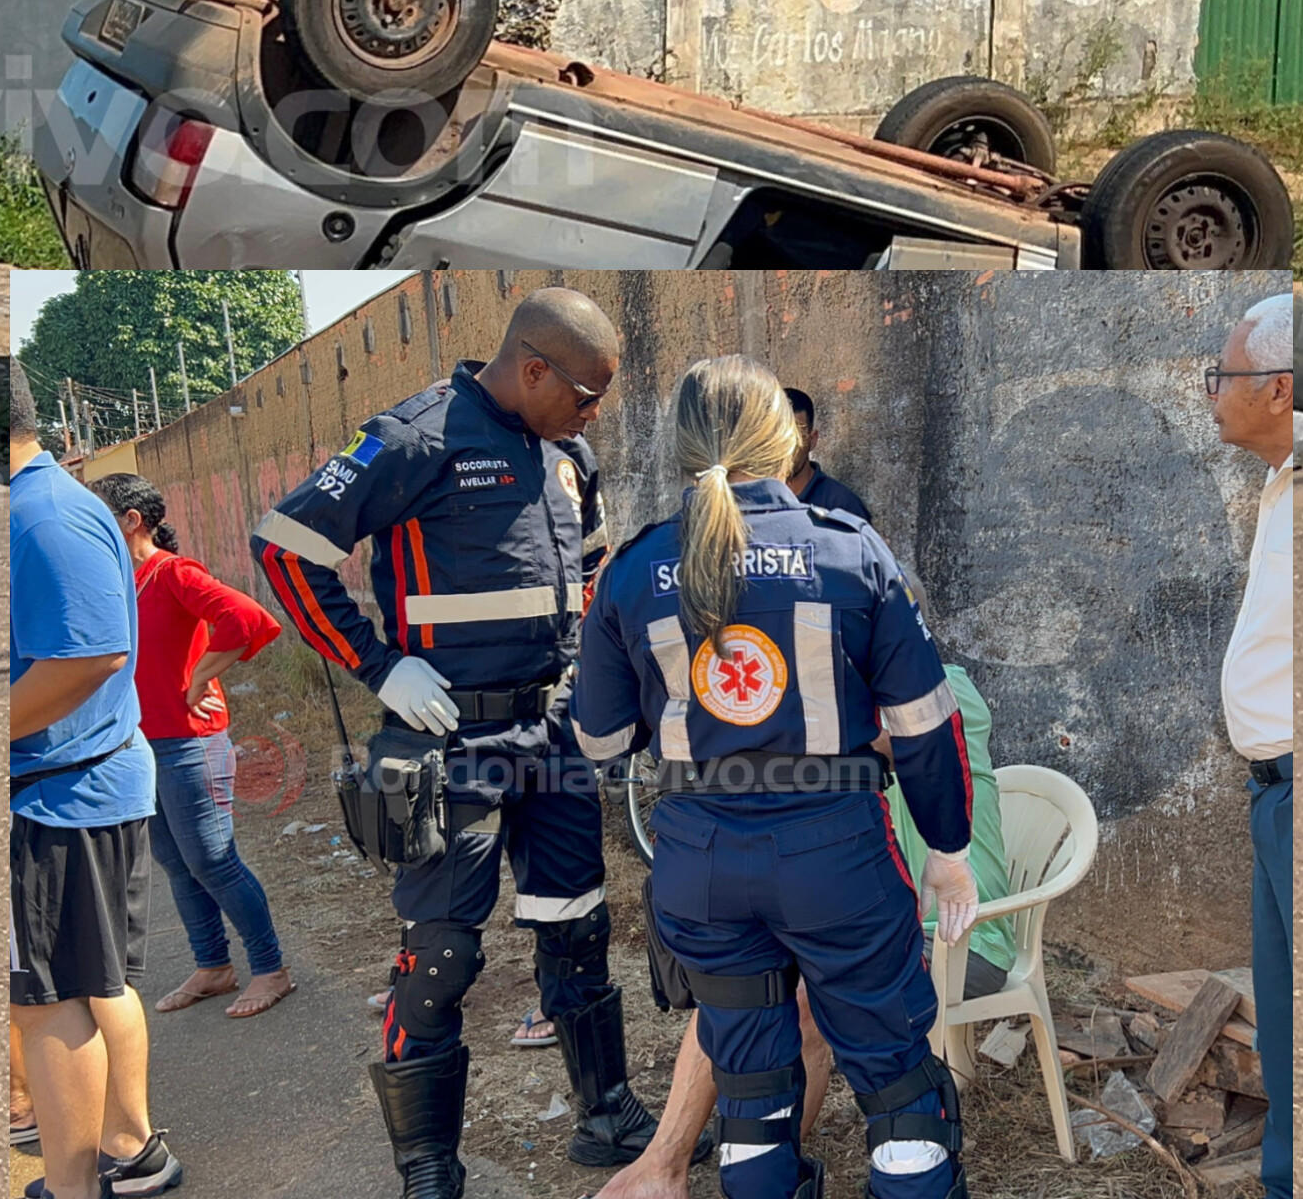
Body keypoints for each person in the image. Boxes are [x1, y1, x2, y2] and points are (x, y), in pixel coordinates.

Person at [253, 287, 656, 1196]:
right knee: (441, 956)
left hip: (552, 736)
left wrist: (593, 681)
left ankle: (605, 1116)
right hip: (451, 741)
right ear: (533, 369)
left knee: (578, 928)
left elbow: (591, 568)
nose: (594, 413)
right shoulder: (414, 437)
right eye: (586, 394)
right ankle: (428, 1164)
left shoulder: (568, 455)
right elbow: (284, 545)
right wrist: (378, 666)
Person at [572, 355, 979, 1199]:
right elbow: (923, 722)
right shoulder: (847, 548)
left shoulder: (632, 570)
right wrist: (947, 848)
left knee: (752, 1095)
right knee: (897, 1086)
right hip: (835, 858)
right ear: (786, 439)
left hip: (699, 864)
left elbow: (600, 740)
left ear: (680, 445)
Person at [594, 655, 1012, 1199]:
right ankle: (698, 1160)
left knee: (801, 996)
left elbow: (887, 737)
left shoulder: (939, 685)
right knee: (745, 981)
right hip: (866, 914)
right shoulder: (833, 699)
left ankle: (738, 1160)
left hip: (963, 934)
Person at [11, 364, 182, 1199]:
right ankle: (129, 1146)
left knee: (48, 999)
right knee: (90, 982)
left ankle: (76, 1181)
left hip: (62, 792)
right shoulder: (51, 506)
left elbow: (91, 655)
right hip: (80, 784)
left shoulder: (42, 516)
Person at [87, 472, 295, 1019]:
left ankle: (270, 968)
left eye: (95, 514)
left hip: (189, 744)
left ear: (131, 521)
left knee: (212, 860)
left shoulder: (173, 573)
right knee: (175, 862)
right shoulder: (119, 581)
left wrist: (202, 675)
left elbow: (248, 619)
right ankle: (213, 966)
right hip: (138, 744)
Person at [1213, 291, 1295, 1198]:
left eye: (1223, 376)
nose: (1212, 392)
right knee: (1286, 1027)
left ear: (1278, 389)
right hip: (1274, 791)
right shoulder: (1280, 486)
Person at [782, 389, 873, 524]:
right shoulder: (754, 501)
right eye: (777, 436)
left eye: (795, 436)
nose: (786, 446)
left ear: (812, 440)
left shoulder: (842, 506)